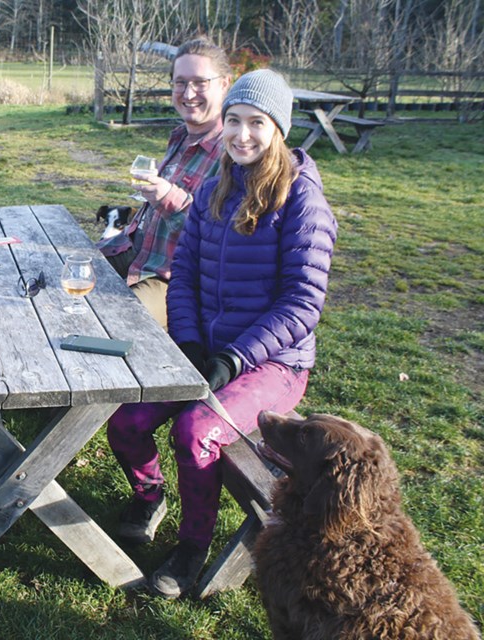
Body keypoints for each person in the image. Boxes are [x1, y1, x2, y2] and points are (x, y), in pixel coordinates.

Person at [106, 69, 338, 598]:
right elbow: (182, 275)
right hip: (206, 349)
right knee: (126, 420)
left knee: (194, 431)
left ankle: (191, 550)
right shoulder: (213, 190)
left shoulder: (303, 201)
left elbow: (303, 305)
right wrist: (188, 343)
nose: (241, 134)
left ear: (279, 128)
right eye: (233, 120)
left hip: (275, 363)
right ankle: (149, 494)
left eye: (256, 122)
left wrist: (234, 359)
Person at [98, 37, 231, 328]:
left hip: (175, 278)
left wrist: (167, 196)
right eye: (180, 82)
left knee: (118, 322)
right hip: (137, 253)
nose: (188, 93)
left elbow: (217, 236)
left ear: (224, 84)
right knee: (65, 276)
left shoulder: (230, 151)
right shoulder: (181, 136)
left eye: (200, 82)